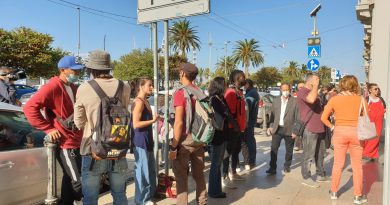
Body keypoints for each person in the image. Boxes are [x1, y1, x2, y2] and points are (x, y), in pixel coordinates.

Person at [24, 56, 84, 204]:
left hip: (76, 139)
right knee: (78, 181)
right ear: (63, 70)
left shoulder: (72, 87)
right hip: (65, 142)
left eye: (78, 71)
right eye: (74, 71)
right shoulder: (52, 86)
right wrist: (48, 129)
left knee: (68, 177)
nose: (77, 74)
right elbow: (29, 108)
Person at [73, 50, 131, 205]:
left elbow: (78, 123)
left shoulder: (84, 88)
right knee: (119, 194)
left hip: (93, 149)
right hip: (118, 147)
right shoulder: (124, 86)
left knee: (91, 197)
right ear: (108, 67)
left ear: (91, 69)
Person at [321, 75, 368, 204]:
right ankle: (358, 196)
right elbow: (366, 118)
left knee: (338, 164)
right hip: (357, 133)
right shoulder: (361, 100)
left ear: (341, 84)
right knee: (357, 165)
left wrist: (332, 127)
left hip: (340, 132)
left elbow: (324, 117)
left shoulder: (335, 99)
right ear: (355, 85)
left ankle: (334, 192)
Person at [168, 63, 207, 205]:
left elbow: (178, 123)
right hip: (199, 138)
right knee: (199, 175)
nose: (179, 74)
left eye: (180, 72)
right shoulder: (199, 91)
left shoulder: (180, 93)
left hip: (185, 140)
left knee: (181, 178)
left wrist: (173, 147)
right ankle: (202, 202)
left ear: (183, 74)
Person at [295, 72, 328, 188]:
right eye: (316, 79)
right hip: (310, 128)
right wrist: (315, 86)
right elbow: (311, 99)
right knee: (308, 154)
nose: (318, 81)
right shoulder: (303, 91)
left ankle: (320, 174)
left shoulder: (313, 91)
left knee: (320, 154)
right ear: (309, 80)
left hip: (319, 128)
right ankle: (306, 177)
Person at [131, 77, 158, 205]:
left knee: (149, 169)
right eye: (149, 85)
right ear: (141, 87)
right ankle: (142, 200)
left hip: (147, 140)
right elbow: (136, 124)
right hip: (140, 141)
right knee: (142, 171)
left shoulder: (145, 101)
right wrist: (152, 121)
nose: (152, 87)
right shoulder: (139, 102)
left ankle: (148, 196)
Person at [266, 83, 299, 175]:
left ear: (290, 90)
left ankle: (287, 166)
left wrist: (295, 131)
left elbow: (298, 118)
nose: (285, 92)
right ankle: (272, 167)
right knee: (273, 149)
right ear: (280, 90)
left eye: (287, 90)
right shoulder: (276, 101)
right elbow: (272, 116)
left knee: (289, 150)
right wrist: (270, 127)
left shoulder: (295, 102)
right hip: (277, 129)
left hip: (290, 130)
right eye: (283, 90)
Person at [222, 69, 247, 188]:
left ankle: (234, 172)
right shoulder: (231, 92)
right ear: (237, 78)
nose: (244, 78)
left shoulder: (239, 92)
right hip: (232, 129)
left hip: (239, 128)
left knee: (236, 151)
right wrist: (235, 126)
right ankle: (224, 176)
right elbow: (228, 113)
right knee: (227, 152)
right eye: (242, 77)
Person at [207, 77, 230, 198]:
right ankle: (213, 191)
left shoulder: (220, 99)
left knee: (217, 164)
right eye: (225, 85)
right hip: (216, 137)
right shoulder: (215, 100)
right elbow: (222, 115)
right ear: (220, 86)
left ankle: (216, 190)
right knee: (215, 165)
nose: (226, 87)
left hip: (222, 136)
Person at [363, 83, 386, 161]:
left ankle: (372, 154)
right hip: (369, 122)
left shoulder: (381, 99)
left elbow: (385, 109)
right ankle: (367, 153)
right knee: (368, 139)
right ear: (370, 90)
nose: (377, 90)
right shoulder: (367, 99)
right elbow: (362, 110)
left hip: (379, 122)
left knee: (376, 138)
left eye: (378, 89)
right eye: (375, 89)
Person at [243, 79, 260, 170]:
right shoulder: (252, 92)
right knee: (249, 140)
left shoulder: (251, 93)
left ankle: (251, 161)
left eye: (244, 84)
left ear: (248, 84)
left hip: (249, 121)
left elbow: (247, 107)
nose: (243, 86)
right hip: (250, 120)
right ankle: (250, 160)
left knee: (249, 141)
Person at [293, 82, 305, 151]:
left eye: (302, 87)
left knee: (304, 131)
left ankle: (304, 145)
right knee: (297, 130)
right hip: (297, 115)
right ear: (298, 88)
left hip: (305, 115)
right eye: (300, 87)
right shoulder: (295, 94)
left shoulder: (307, 94)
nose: (301, 88)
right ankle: (297, 145)